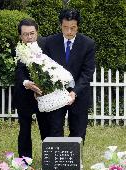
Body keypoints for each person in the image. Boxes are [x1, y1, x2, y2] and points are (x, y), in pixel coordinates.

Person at [44, 9, 95, 143]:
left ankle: (76, 162)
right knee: (54, 129)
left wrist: (74, 92)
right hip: (55, 94)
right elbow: (45, 69)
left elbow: (87, 72)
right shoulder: (49, 42)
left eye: (73, 28)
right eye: (65, 27)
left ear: (78, 26)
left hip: (79, 94)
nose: (69, 32)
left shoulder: (88, 44)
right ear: (61, 25)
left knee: (78, 130)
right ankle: (57, 161)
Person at [13, 19, 48, 158]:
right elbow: (18, 71)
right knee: (24, 130)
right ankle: (24, 162)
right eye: (25, 34)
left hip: (43, 94)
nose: (29, 37)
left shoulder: (46, 45)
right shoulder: (16, 49)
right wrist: (26, 82)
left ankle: (50, 160)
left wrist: (41, 87)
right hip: (24, 94)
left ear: (37, 33)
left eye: (32, 33)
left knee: (46, 128)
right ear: (20, 36)